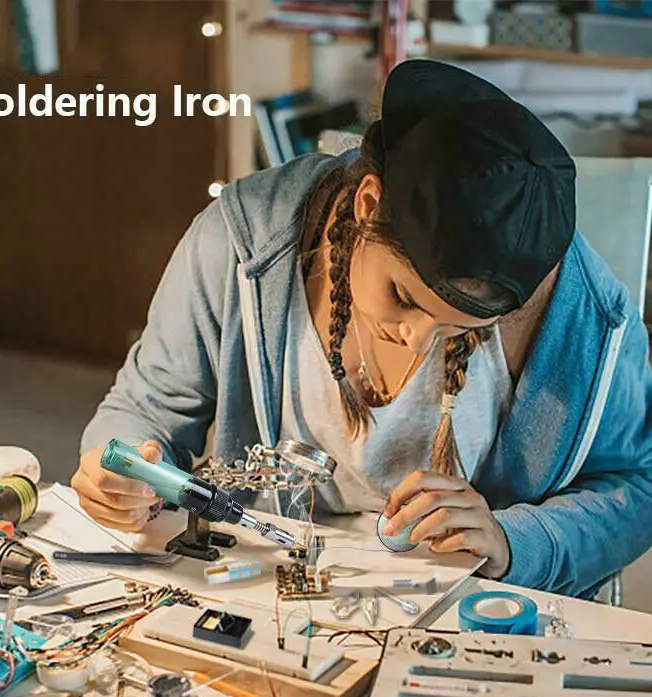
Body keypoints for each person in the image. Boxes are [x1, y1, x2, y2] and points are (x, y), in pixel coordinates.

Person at [73, 60, 652, 599]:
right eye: (404, 297)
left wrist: (511, 541)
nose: (418, 339)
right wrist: (119, 470)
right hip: (265, 584)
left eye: (460, 331)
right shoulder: (239, 242)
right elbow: (146, 409)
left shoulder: (581, 316)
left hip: (471, 610)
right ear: (368, 205)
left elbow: (637, 487)